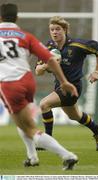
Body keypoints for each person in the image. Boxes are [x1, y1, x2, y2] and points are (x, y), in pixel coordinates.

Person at [0, 4, 79, 170]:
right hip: (27, 81)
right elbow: (50, 59)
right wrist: (64, 81)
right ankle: (32, 157)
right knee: (23, 122)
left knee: (29, 129)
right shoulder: (25, 36)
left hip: (9, 84)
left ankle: (67, 155)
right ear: (17, 18)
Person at [35, 16, 98, 151]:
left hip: (73, 87)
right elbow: (38, 71)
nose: (55, 32)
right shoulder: (48, 47)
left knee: (44, 104)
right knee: (74, 115)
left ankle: (47, 140)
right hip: (59, 86)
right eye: (52, 29)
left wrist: (97, 71)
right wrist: (46, 65)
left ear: (65, 30)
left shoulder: (77, 45)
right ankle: (97, 130)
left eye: (58, 29)